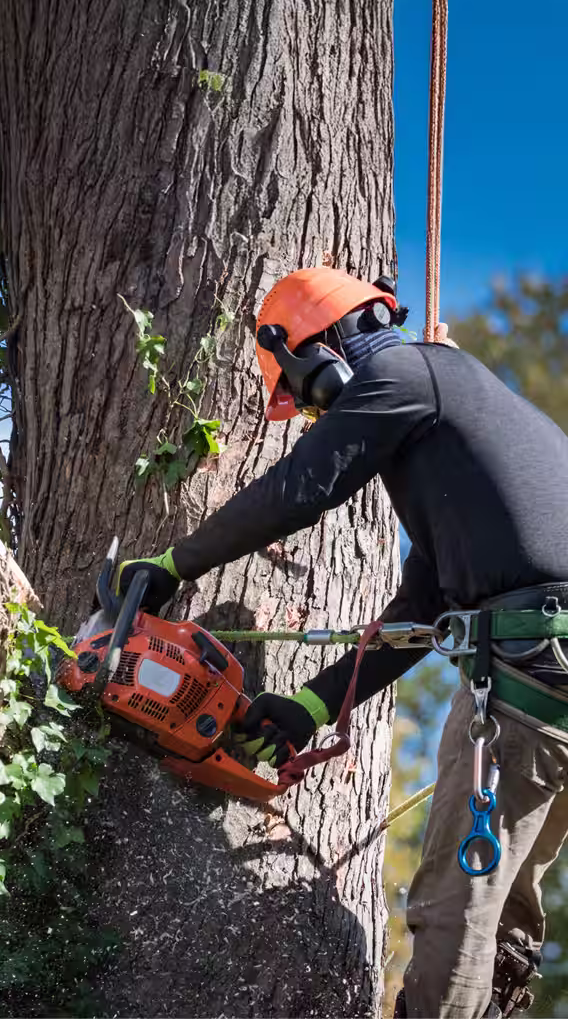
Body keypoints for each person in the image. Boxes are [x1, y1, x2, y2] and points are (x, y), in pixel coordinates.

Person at [116, 267, 568, 1019]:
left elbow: (303, 487)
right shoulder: (455, 421)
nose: (312, 417)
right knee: (505, 916)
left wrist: (173, 564)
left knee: (454, 914)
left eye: (304, 398)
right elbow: (422, 608)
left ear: (317, 356)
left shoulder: (403, 375)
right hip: (549, 690)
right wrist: (309, 706)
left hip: (525, 679)